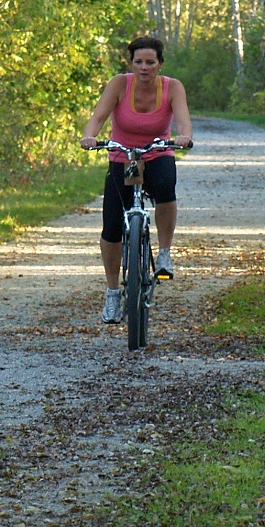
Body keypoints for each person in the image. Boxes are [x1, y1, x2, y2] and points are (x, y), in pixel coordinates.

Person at [78, 35, 194, 324]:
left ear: (160, 64)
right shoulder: (120, 84)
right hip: (123, 156)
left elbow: (183, 121)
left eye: (150, 62)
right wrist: (89, 136)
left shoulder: (172, 87)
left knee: (166, 187)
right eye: (138, 62)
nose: (144, 67)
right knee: (112, 226)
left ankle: (164, 253)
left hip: (157, 153)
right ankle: (113, 293)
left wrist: (184, 137)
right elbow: (98, 116)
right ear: (131, 64)